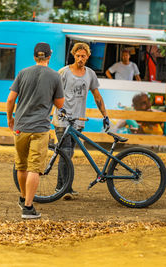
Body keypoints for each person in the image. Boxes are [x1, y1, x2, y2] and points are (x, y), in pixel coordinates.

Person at [7, 42, 64, 219]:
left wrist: (10, 119)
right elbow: (60, 104)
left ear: (34, 56)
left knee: (21, 166)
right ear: (49, 55)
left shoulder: (23, 73)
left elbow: (10, 100)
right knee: (34, 169)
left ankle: (23, 198)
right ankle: (28, 208)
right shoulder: (55, 76)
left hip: (21, 126)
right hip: (40, 128)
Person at [52, 42, 109, 200]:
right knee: (66, 153)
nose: (80, 58)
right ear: (73, 55)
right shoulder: (63, 72)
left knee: (68, 155)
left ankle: (62, 186)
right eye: (78, 56)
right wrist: (52, 112)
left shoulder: (90, 74)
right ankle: (64, 188)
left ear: (88, 56)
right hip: (63, 120)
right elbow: (53, 93)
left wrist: (105, 115)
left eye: (83, 56)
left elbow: (97, 96)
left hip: (78, 121)